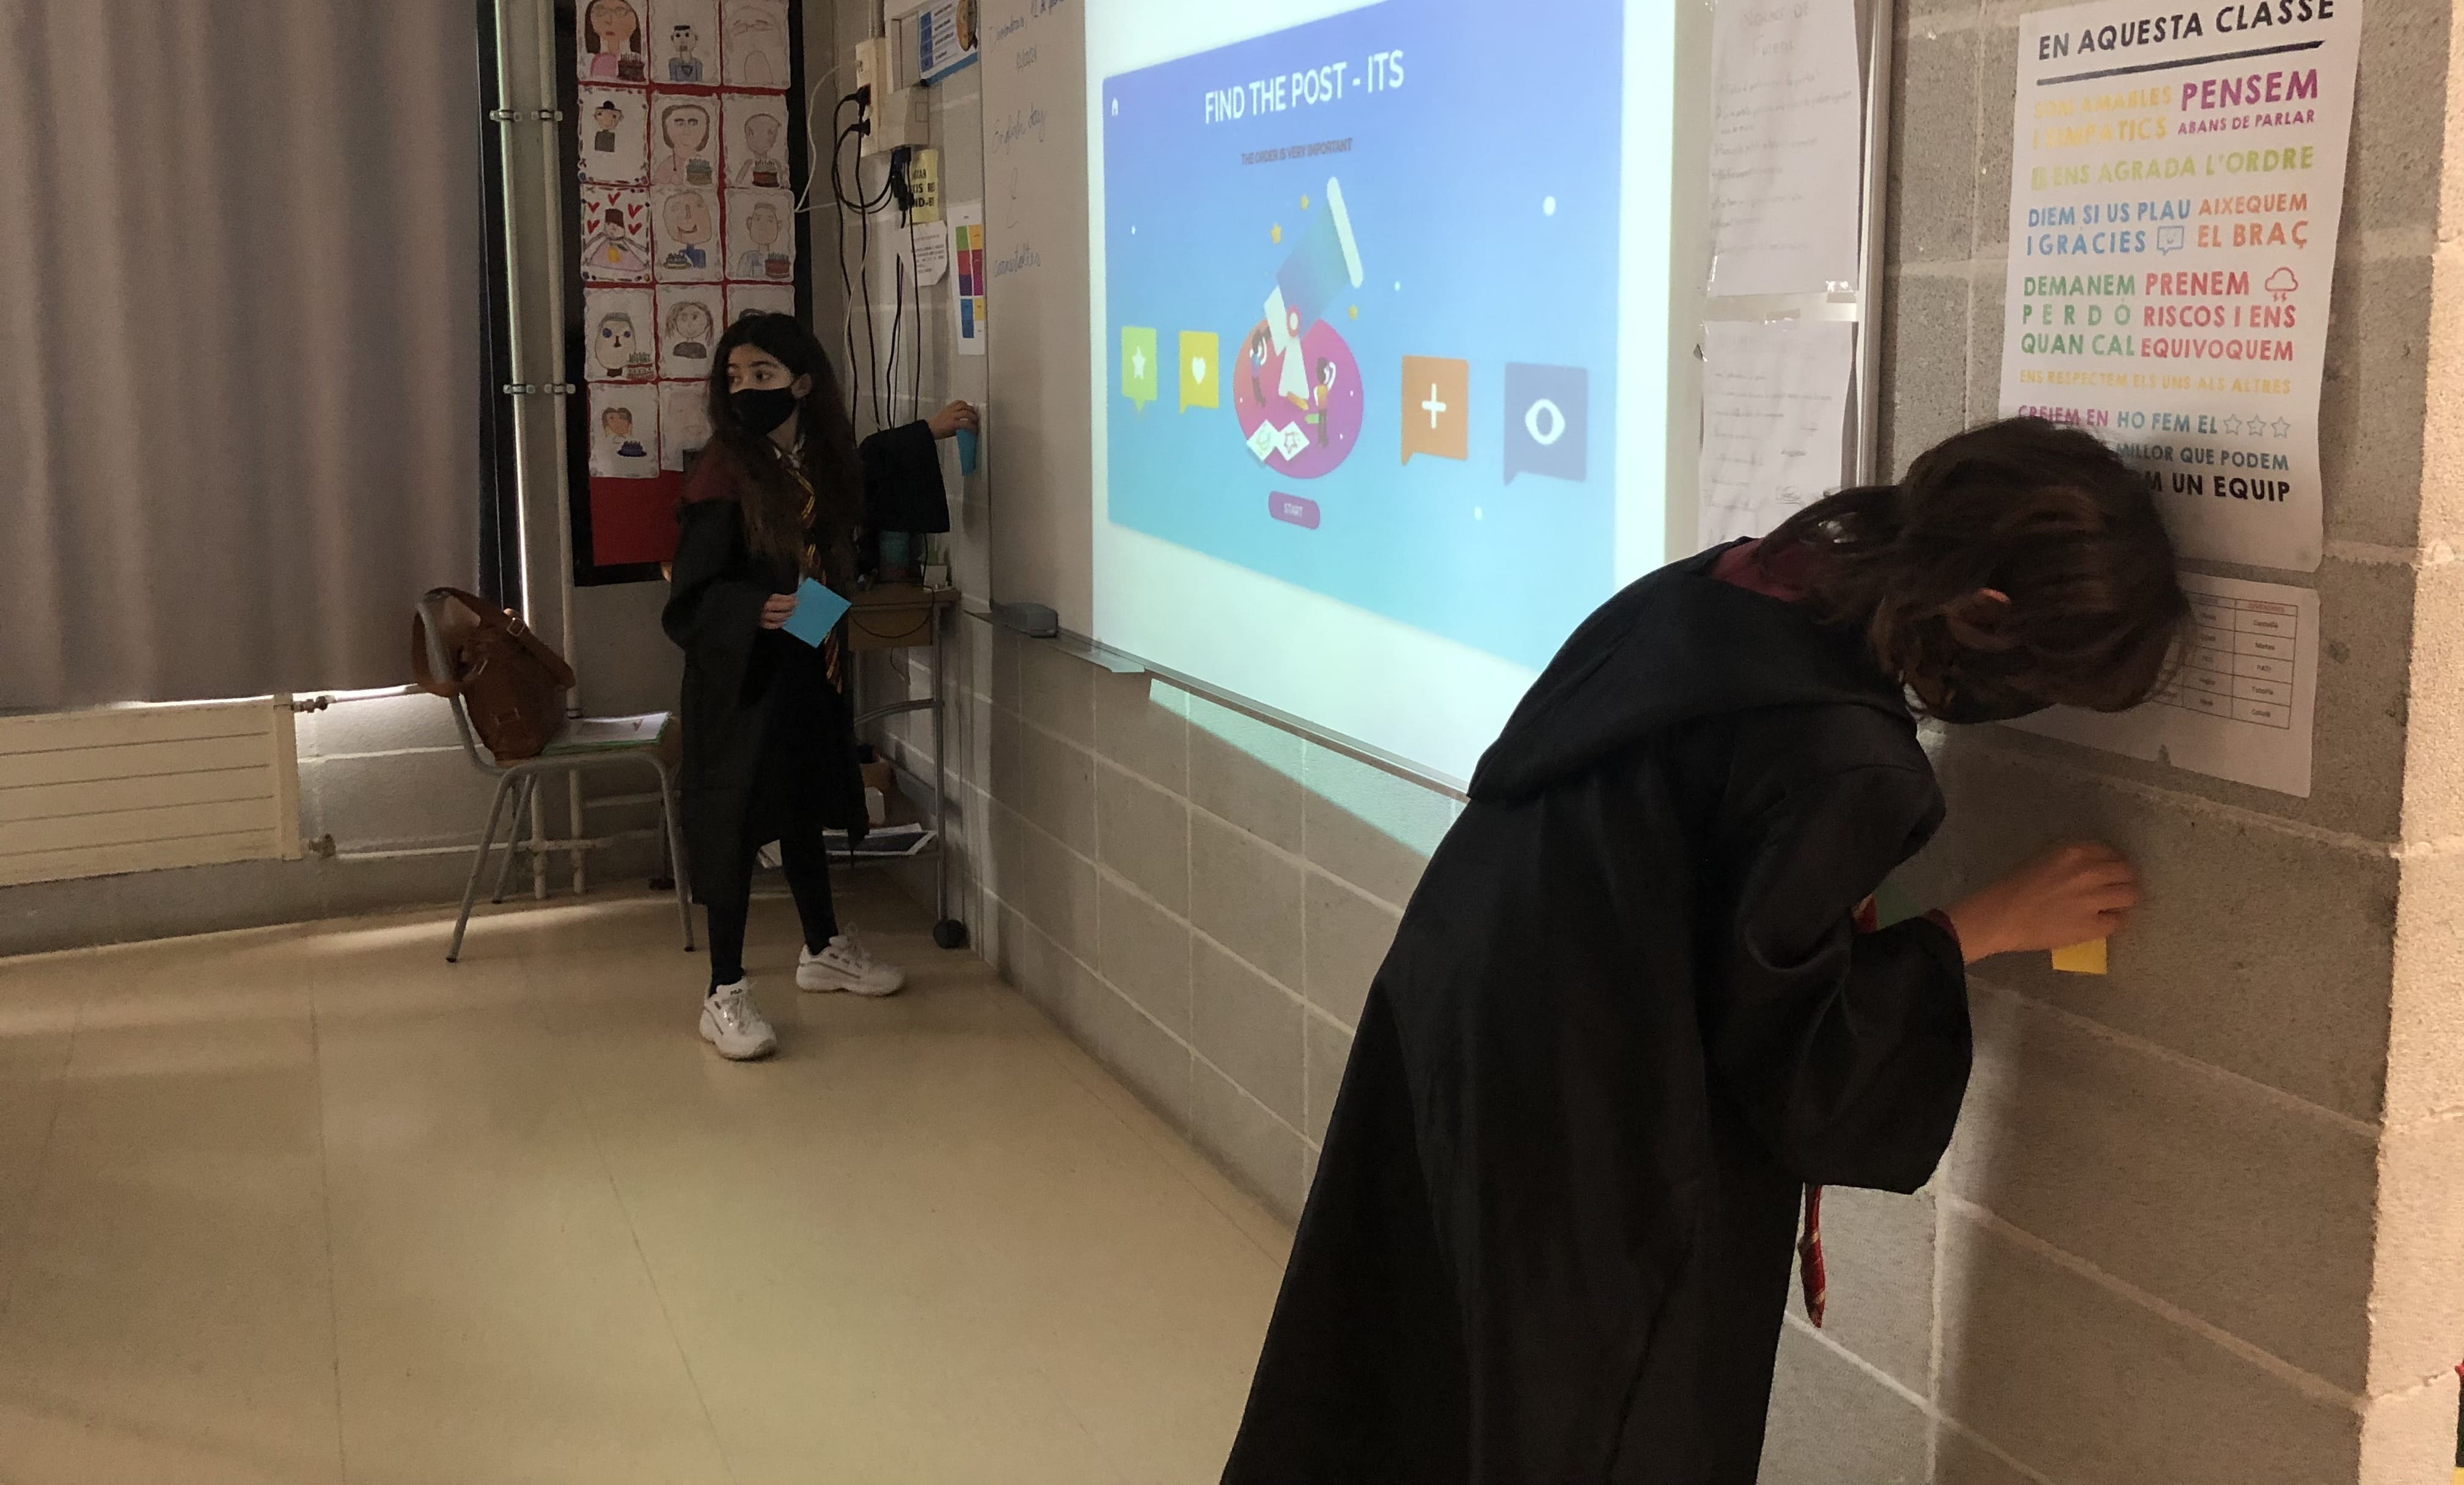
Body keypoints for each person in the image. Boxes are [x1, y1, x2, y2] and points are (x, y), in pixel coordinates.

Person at [1220, 417, 2188, 1483]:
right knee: (1595, 1429)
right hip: (1595, 1129)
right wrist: (1990, 922)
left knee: (1413, 1387)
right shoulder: (1846, 757)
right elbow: (1798, 1061)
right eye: (2048, 679)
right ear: (1987, 614)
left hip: (1457, 1019)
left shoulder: (1733, 583)